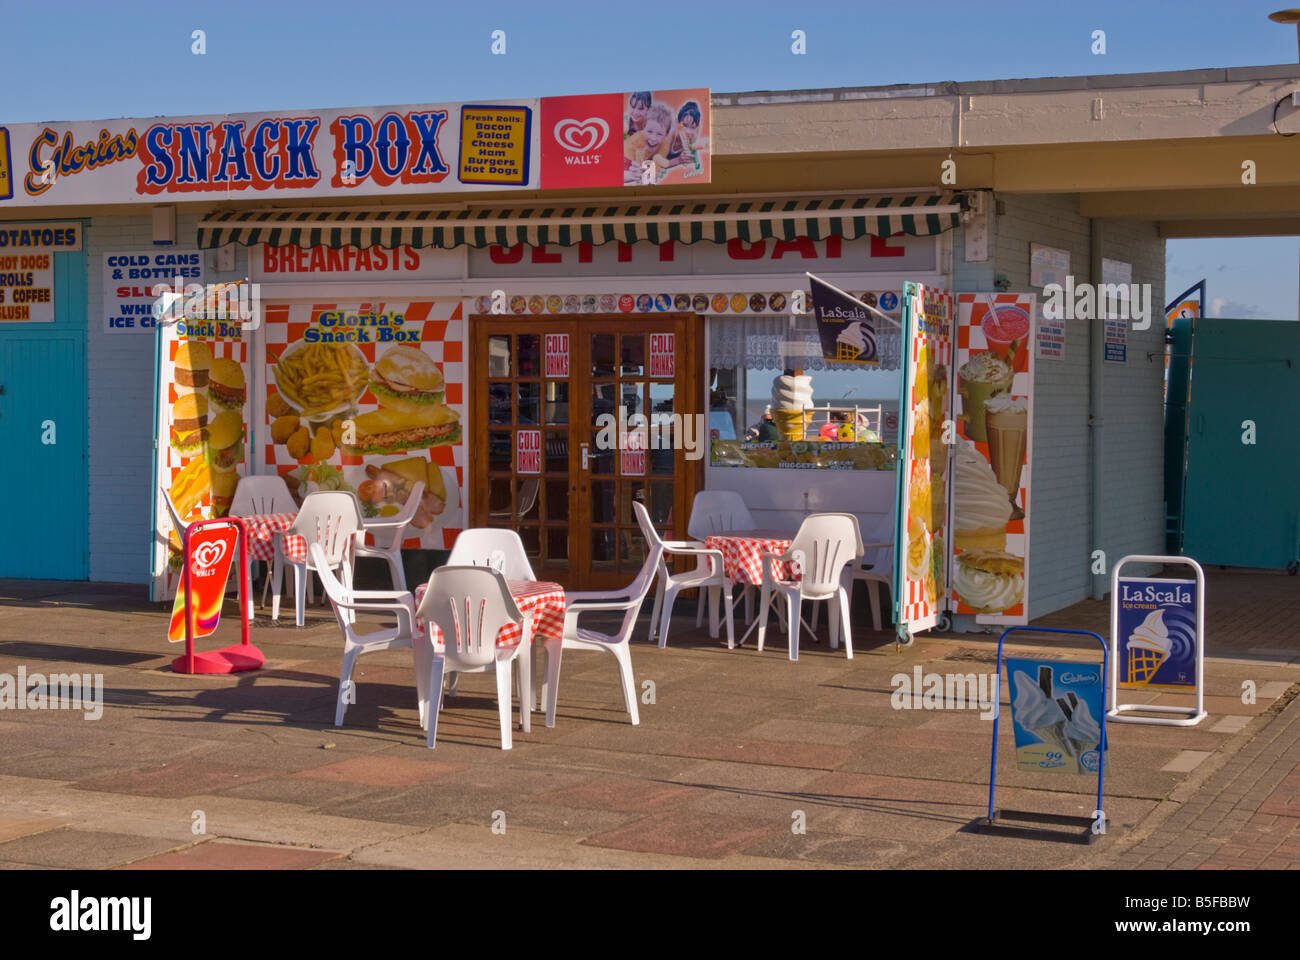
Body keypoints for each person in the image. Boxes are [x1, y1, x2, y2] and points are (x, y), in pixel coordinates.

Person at [624, 102, 674, 183]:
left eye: (659, 134)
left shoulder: (665, 145)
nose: (653, 138)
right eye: (649, 131)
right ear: (644, 127)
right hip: (625, 157)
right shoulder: (636, 140)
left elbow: (657, 163)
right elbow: (633, 167)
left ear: (666, 134)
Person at [667, 101, 709, 167]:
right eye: (684, 125)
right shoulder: (669, 135)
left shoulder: (693, 138)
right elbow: (655, 164)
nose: (688, 132)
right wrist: (678, 160)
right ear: (677, 122)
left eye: (693, 127)